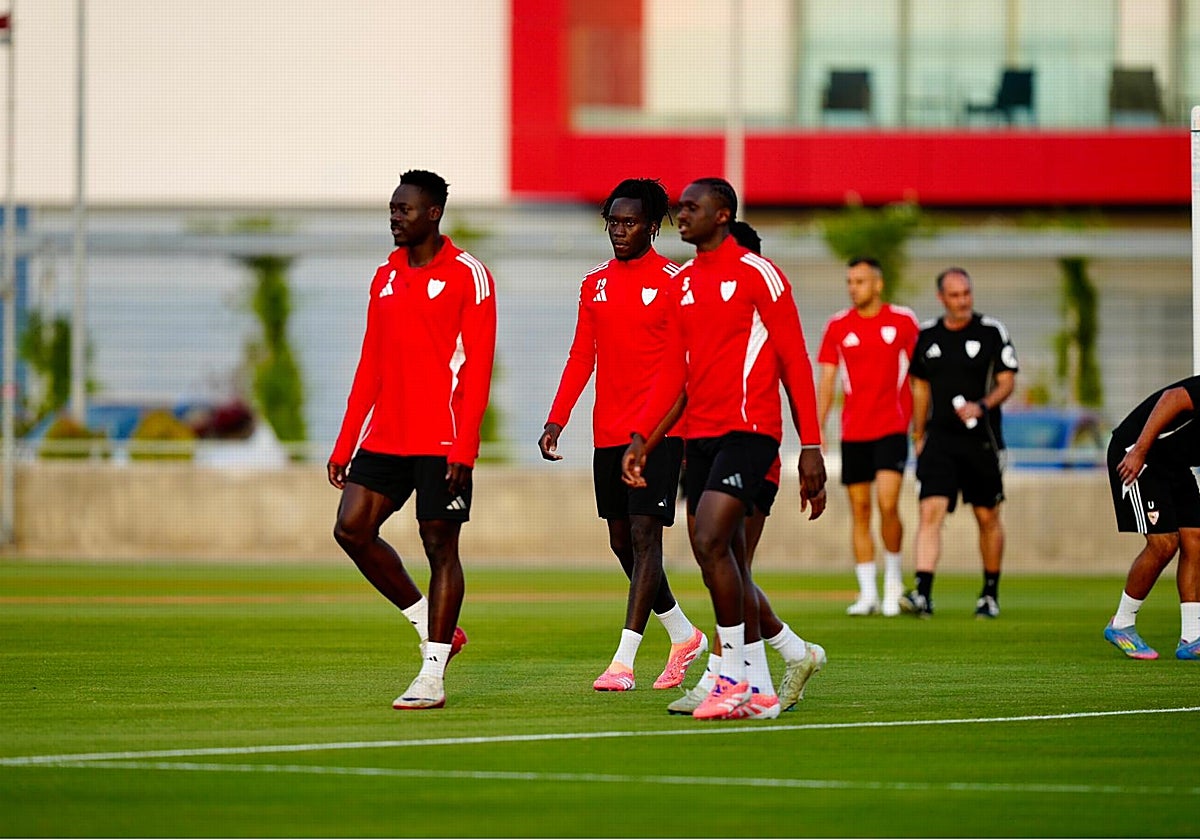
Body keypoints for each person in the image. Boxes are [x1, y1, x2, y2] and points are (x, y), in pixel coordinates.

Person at [623, 179, 827, 721]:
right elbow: (672, 372)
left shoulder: (759, 274)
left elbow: (796, 361)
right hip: (702, 439)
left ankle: (730, 677)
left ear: (723, 214)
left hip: (751, 432)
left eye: (692, 207)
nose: (681, 215)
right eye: (681, 207)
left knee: (713, 537)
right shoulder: (682, 283)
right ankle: (757, 688)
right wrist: (644, 436)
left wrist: (811, 444)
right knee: (719, 552)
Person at [328, 170, 497, 710]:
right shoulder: (384, 276)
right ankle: (431, 624)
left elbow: (478, 370)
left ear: (433, 214)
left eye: (404, 209)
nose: (395, 217)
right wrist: (344, 442)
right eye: (392, 208)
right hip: (387, 437)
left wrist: (465, 448)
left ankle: (432, 673)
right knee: (351, 529)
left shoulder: (471, 275)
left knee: (438, 546)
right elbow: (370, 364)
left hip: (442, 440)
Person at [539, 177, 707, 693]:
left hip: (658, 435)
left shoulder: (677, 283)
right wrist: (556, 417)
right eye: (612, 221)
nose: (617, 230)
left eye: (628, 222)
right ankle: (683, 634)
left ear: (653, 227)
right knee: (621, 544)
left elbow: (687, 366)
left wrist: (678, 436)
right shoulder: (594, 283)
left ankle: (623, 661)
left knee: (643, 537)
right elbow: (580, 356)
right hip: (607, 433)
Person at [901, 267, 1017, 618]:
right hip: (940, 440)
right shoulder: (927, 336)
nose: (962, 300)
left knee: (987, 516)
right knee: (930, 510)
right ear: (942, 298)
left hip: (981, 441)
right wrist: (918, 434)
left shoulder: (991, 332)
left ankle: (989, 593)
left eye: (966, 293)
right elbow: (919, 389)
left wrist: (981, 406)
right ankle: (923, 592)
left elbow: (1007, 381)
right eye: (954, 295)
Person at [816, 258, 920, 617]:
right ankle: (867, 593)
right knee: (860, 511)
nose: (853, 287)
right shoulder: (837, 326)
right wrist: (818, 428)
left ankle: (894, 583)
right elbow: (827, 379)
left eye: (860, 281)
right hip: (854, 431)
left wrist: (920, 426)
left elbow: (920, 379)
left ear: (878, 284)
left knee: (887, 505)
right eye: (849, 281)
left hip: (892, 428)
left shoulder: (903, 321)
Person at [1103, 376, 1200, 660]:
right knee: (1164, 543)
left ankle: (1192, 637)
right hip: (1137, 452)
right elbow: (1173, 397)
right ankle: (1121, 624)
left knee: (1195, 538)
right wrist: (1140, 451)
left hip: (1173, 463)